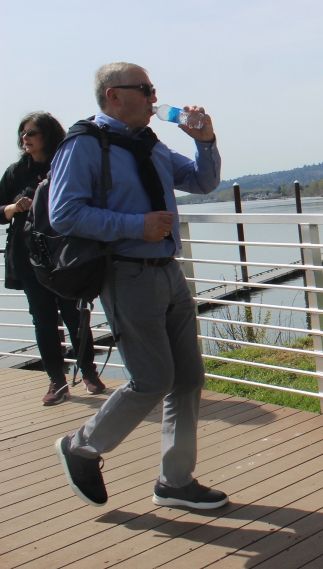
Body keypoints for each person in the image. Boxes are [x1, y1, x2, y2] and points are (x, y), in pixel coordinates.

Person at [50, 62, 227, 510]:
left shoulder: (150, 143)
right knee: (152, 379)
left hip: (168, 269)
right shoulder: (84, 144)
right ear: (114, 95)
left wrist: (205, 142)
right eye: (145, 89)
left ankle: (175, 481)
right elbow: (64, 213)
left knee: (188, 379)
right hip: (126, 271)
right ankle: (82, 446)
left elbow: (204, 182)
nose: (154, 97)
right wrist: (136, 226)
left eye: (153, 89)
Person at [1, 112, 104, 405]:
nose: (25, 138)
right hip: (29, 259)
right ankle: (56, 382)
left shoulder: (64, 165)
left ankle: (89, 373)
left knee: (76, 317)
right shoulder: (15, 172)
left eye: (31, 132)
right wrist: (13, 208)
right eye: (22, 133)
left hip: (66, 256)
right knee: (43, 321)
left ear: (47, 134)